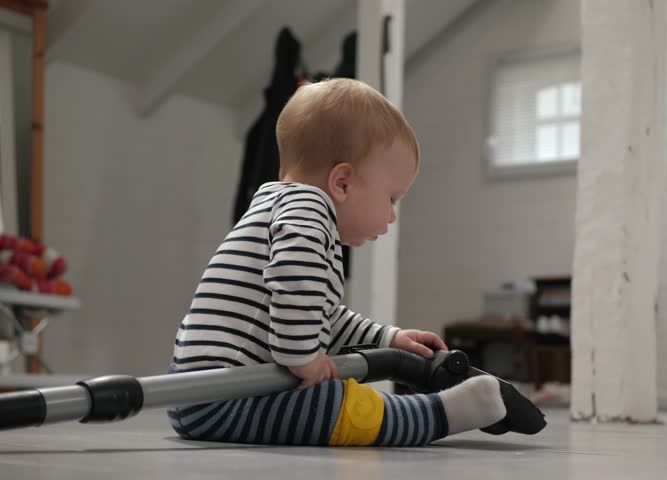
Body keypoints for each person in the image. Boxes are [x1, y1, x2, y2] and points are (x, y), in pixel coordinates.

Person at [167, 78, 510, 446]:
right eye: (391, 198)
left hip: (198, 390)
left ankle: (429, 410)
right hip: (227, 395)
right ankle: (438, 415)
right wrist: (302, 357)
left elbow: (323, 316)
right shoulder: (308, 209)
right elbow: (292, 278)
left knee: (331, 395)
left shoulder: (280, 206)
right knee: (338, 407)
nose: (392, 216)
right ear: (343, 183)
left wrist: (388, 338)